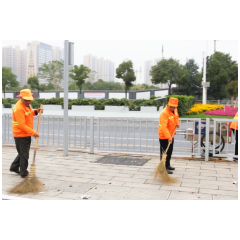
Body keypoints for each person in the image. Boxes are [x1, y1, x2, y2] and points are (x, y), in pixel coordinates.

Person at [9, 89, 43, 178]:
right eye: (26, 100)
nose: (28, 101)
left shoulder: (27, 105)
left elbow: (29, 114)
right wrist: (33, 133)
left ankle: (14, 167)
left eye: (29, 99)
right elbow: (21, 125)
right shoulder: (19, 108)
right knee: (24, 155)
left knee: (22, 152)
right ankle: (24, 173)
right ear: (21, 98)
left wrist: (36, 111)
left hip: (26, 133)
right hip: (20, 134)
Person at [158, 97, 180, 174]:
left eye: (174, 107)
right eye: (171, 106)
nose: (172, 108)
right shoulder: (164, 113)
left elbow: (176, 116)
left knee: (170, 151)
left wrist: (177, 123)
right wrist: (168, 137)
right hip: (164, 136)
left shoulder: (175, 110)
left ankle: (168, 165)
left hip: (171, 134)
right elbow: (164, 127)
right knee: (164, 153)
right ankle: (163, 168)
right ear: (168, 104)